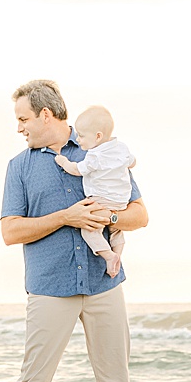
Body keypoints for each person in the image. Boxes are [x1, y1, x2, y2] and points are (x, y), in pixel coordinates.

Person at [0, 80, 174, 382]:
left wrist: (108, 215)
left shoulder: (102, 149)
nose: (19, 128)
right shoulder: (19, 167)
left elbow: (140, 215)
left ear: (46, 115)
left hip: (103, 283)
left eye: (23, 119)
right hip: (49, 288)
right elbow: (10, 231)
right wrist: (66, 217)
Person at [53, 104, 136, 278]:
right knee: (116, 230)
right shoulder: (121, 147)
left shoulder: (94, 155)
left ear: (98, 137)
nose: (79, 139)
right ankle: (118, 255)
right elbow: (132, 162)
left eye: (82, 136)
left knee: (90, 230)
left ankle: (109, 256)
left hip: (102, 200)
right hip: (121, 201)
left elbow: (77, 170)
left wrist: (63, 162)